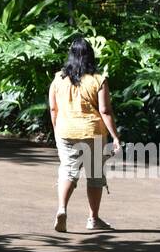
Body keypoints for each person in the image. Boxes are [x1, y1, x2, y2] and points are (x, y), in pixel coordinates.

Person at [48, 35, 121, 233]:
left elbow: (53, 109)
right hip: (93, 132)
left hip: (65, 131)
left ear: (70, 56)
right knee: (95, 175)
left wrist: (57, 130)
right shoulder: (98, 79)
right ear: (90, 56)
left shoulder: (58, 78)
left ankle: (62, 208)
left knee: (68, 171)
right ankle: (93, 219)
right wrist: (115, 137)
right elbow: (105, 111)